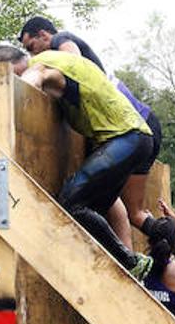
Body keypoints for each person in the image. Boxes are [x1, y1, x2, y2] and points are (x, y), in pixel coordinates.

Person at [0, 45, 152, 283]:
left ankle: (130, 262)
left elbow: (33, 80)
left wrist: (8, 98)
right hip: (135, 139)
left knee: (71, 203)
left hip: (126, 138)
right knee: (90, 216)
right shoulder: (61, 62)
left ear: (12, 66)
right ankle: (116, 275)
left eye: (8, 75)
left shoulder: (40, 65)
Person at [19, 17, 162, 249]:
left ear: (44, 36)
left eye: (30, 47)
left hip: (129, 132)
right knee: (115, 210)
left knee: (72, 202)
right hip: (141, 131)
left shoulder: (57, 47)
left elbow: (47, 70)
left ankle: (128, 259)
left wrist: (19, 96)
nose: (30, 53)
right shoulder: (72, 79)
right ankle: (169, 251)